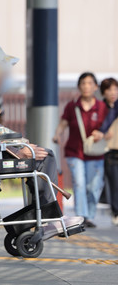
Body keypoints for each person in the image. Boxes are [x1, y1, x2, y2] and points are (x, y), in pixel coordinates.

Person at [0, 43, 83, 238]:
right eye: (4, 73)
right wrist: (19, 152)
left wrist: (16, 142)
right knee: (45, 156)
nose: (6, 77)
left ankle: (41, 217)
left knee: (37, 153)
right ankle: (49, 219)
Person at [53, 72, 108, 228]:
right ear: (79, 86)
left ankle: (89, 215)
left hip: (96, 154)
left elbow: (109, 127)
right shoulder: (72, 106)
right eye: (83, 83)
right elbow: (63, 124)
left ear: (95, 87)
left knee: (93, 186)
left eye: (90, 83)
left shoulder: (102, 107)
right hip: (75, 152)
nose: (86, 86)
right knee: (79, 182)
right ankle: (81, 216)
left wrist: (102, 133)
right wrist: (57, 134)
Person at [99, 78, 118, 225]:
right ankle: (116, 211)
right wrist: (102, 132)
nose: (113, 93)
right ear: (103, 92)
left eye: (115, 89)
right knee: (114, 184)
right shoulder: (101, 108)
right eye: (109, 90)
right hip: (109, 151)